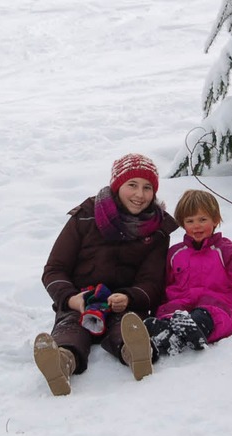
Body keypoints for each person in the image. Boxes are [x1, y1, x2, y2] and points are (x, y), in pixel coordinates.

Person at [34, 153, 178, 395]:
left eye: (147, 187)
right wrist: (70, 298)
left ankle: (136, 354)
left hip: (125, 305)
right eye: (132, 185)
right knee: (71, 328)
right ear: (117, 185)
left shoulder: (158, 230)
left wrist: (129, 298)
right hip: (81, 301)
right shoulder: (86, 216)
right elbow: (54, 269)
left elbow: (152, 281)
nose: (139, 195)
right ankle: (61, 361)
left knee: (127, 327)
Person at [143, 189, 232, 358]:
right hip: (180, 306)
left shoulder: (225, 250)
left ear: (215, 220)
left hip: (217, 307)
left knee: (206, 316)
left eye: (203, 219)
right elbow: (163, 285)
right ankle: (162, 334)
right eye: (190, 220)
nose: (196, 225)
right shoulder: (175, 253)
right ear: (182, 223)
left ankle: (184, 332)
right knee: (170, 315)